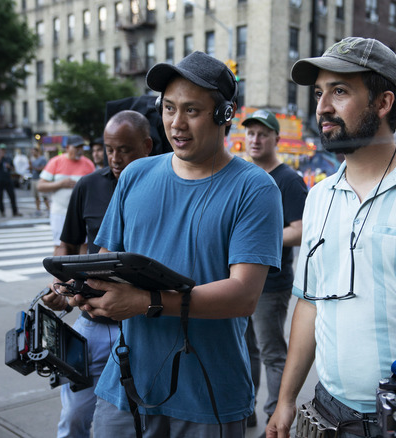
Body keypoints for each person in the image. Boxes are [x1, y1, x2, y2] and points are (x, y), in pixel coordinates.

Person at [70, 51, 283, 437]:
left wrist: (146, 303)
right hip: (126, 389)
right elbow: (106, 262)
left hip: (208, 396)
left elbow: (242, 296)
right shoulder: (135, 174)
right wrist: (83, 287)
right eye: (168, 108)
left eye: (191, 111)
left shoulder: (255, 189)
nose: (176, 123)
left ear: (224, 115)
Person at [266, 37, 396, 438]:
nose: (321, 107)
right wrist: (285, 401)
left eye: (339, 91)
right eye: (319, 93)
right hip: (331, 416)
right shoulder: (318, 197)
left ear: (383, 103)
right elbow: (307, 305)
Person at [40, 110, 153, 438]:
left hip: (142, 328)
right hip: (91, 322)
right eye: (108, 149)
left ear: (146, 145)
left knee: (129, 424)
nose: (115, 158)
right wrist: (61, 288)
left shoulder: (165, 186)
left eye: (125, 149)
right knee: (74, 416)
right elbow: (67, 246)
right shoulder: (88, 186)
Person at [242, 109, 308, 429]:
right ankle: (247, 408)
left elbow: (300, 229)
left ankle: (274, 416)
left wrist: (256, 239)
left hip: (272, 284)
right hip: (238, 281)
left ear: (276, 140)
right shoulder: (243, 174)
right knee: (246, 349)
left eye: (262, 134)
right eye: (251, 133)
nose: (255, 139)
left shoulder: (289, 180)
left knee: (271, 352)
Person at [37, 136, 95, 253]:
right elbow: (40, 186)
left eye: (81, 147)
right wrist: (60, 184)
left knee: (83, 244)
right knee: (60, 245)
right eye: (76, 147)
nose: (80, 150)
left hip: (82, 214)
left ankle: (82, 271)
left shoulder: (88, 164)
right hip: (60, 212)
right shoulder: (56, 162)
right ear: (67, 148)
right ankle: (60, 271)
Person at [0, 143, 21, 217]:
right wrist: (0, 157)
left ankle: (15, 211)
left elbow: (13, 168)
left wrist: (9, 167)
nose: (2, 151)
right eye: (1, 149)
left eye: (4, 149)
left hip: (8, 179)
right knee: (0, 197)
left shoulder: (8, 158)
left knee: (12, 196)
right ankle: (2, 212)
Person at [29, 147, 50, 214]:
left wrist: (33, 167)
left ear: (37, 152)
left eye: (33, 152)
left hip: (40, 179)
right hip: (34, 179)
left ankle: (48, 209)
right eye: (31, 152)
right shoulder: (33, 160)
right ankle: (38, 210)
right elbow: (31, 170)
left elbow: (43, 168)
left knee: (44, 196)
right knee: (36, 196)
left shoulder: (42, 159)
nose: (32, 153)